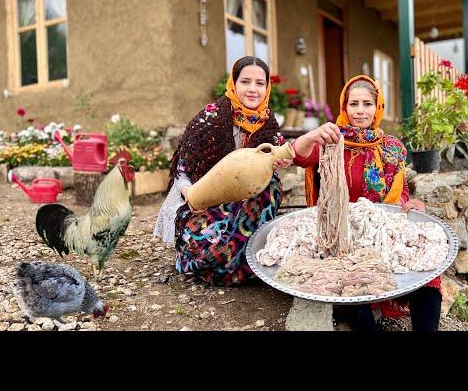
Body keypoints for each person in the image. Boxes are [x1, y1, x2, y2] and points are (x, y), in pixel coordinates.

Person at [292, 75, 442, 331]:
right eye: (353, 104)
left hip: (379, 229)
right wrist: (313, 135)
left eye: (367, 104)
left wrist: (409, 204)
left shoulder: (392, 147)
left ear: (377, 107)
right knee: (353, 276)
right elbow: (298, 156)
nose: (360, 111)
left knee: (430, 273)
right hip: (341, 235)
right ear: (344, 107)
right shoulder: (330, 140)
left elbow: (400, 191)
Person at [153, 56, 292, 285]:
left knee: (272, 185)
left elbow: (273, 158)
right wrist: (190, 193)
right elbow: (183, 171)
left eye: (260, 83)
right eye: (246, 81)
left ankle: (246, 264)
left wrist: (275, 164)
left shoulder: (267, 123)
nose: (253, 89)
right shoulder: (211, 118)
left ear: (267, 88)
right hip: (205, 204)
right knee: (203, 245)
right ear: (234, 83)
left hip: (242, 205)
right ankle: (223, 263)